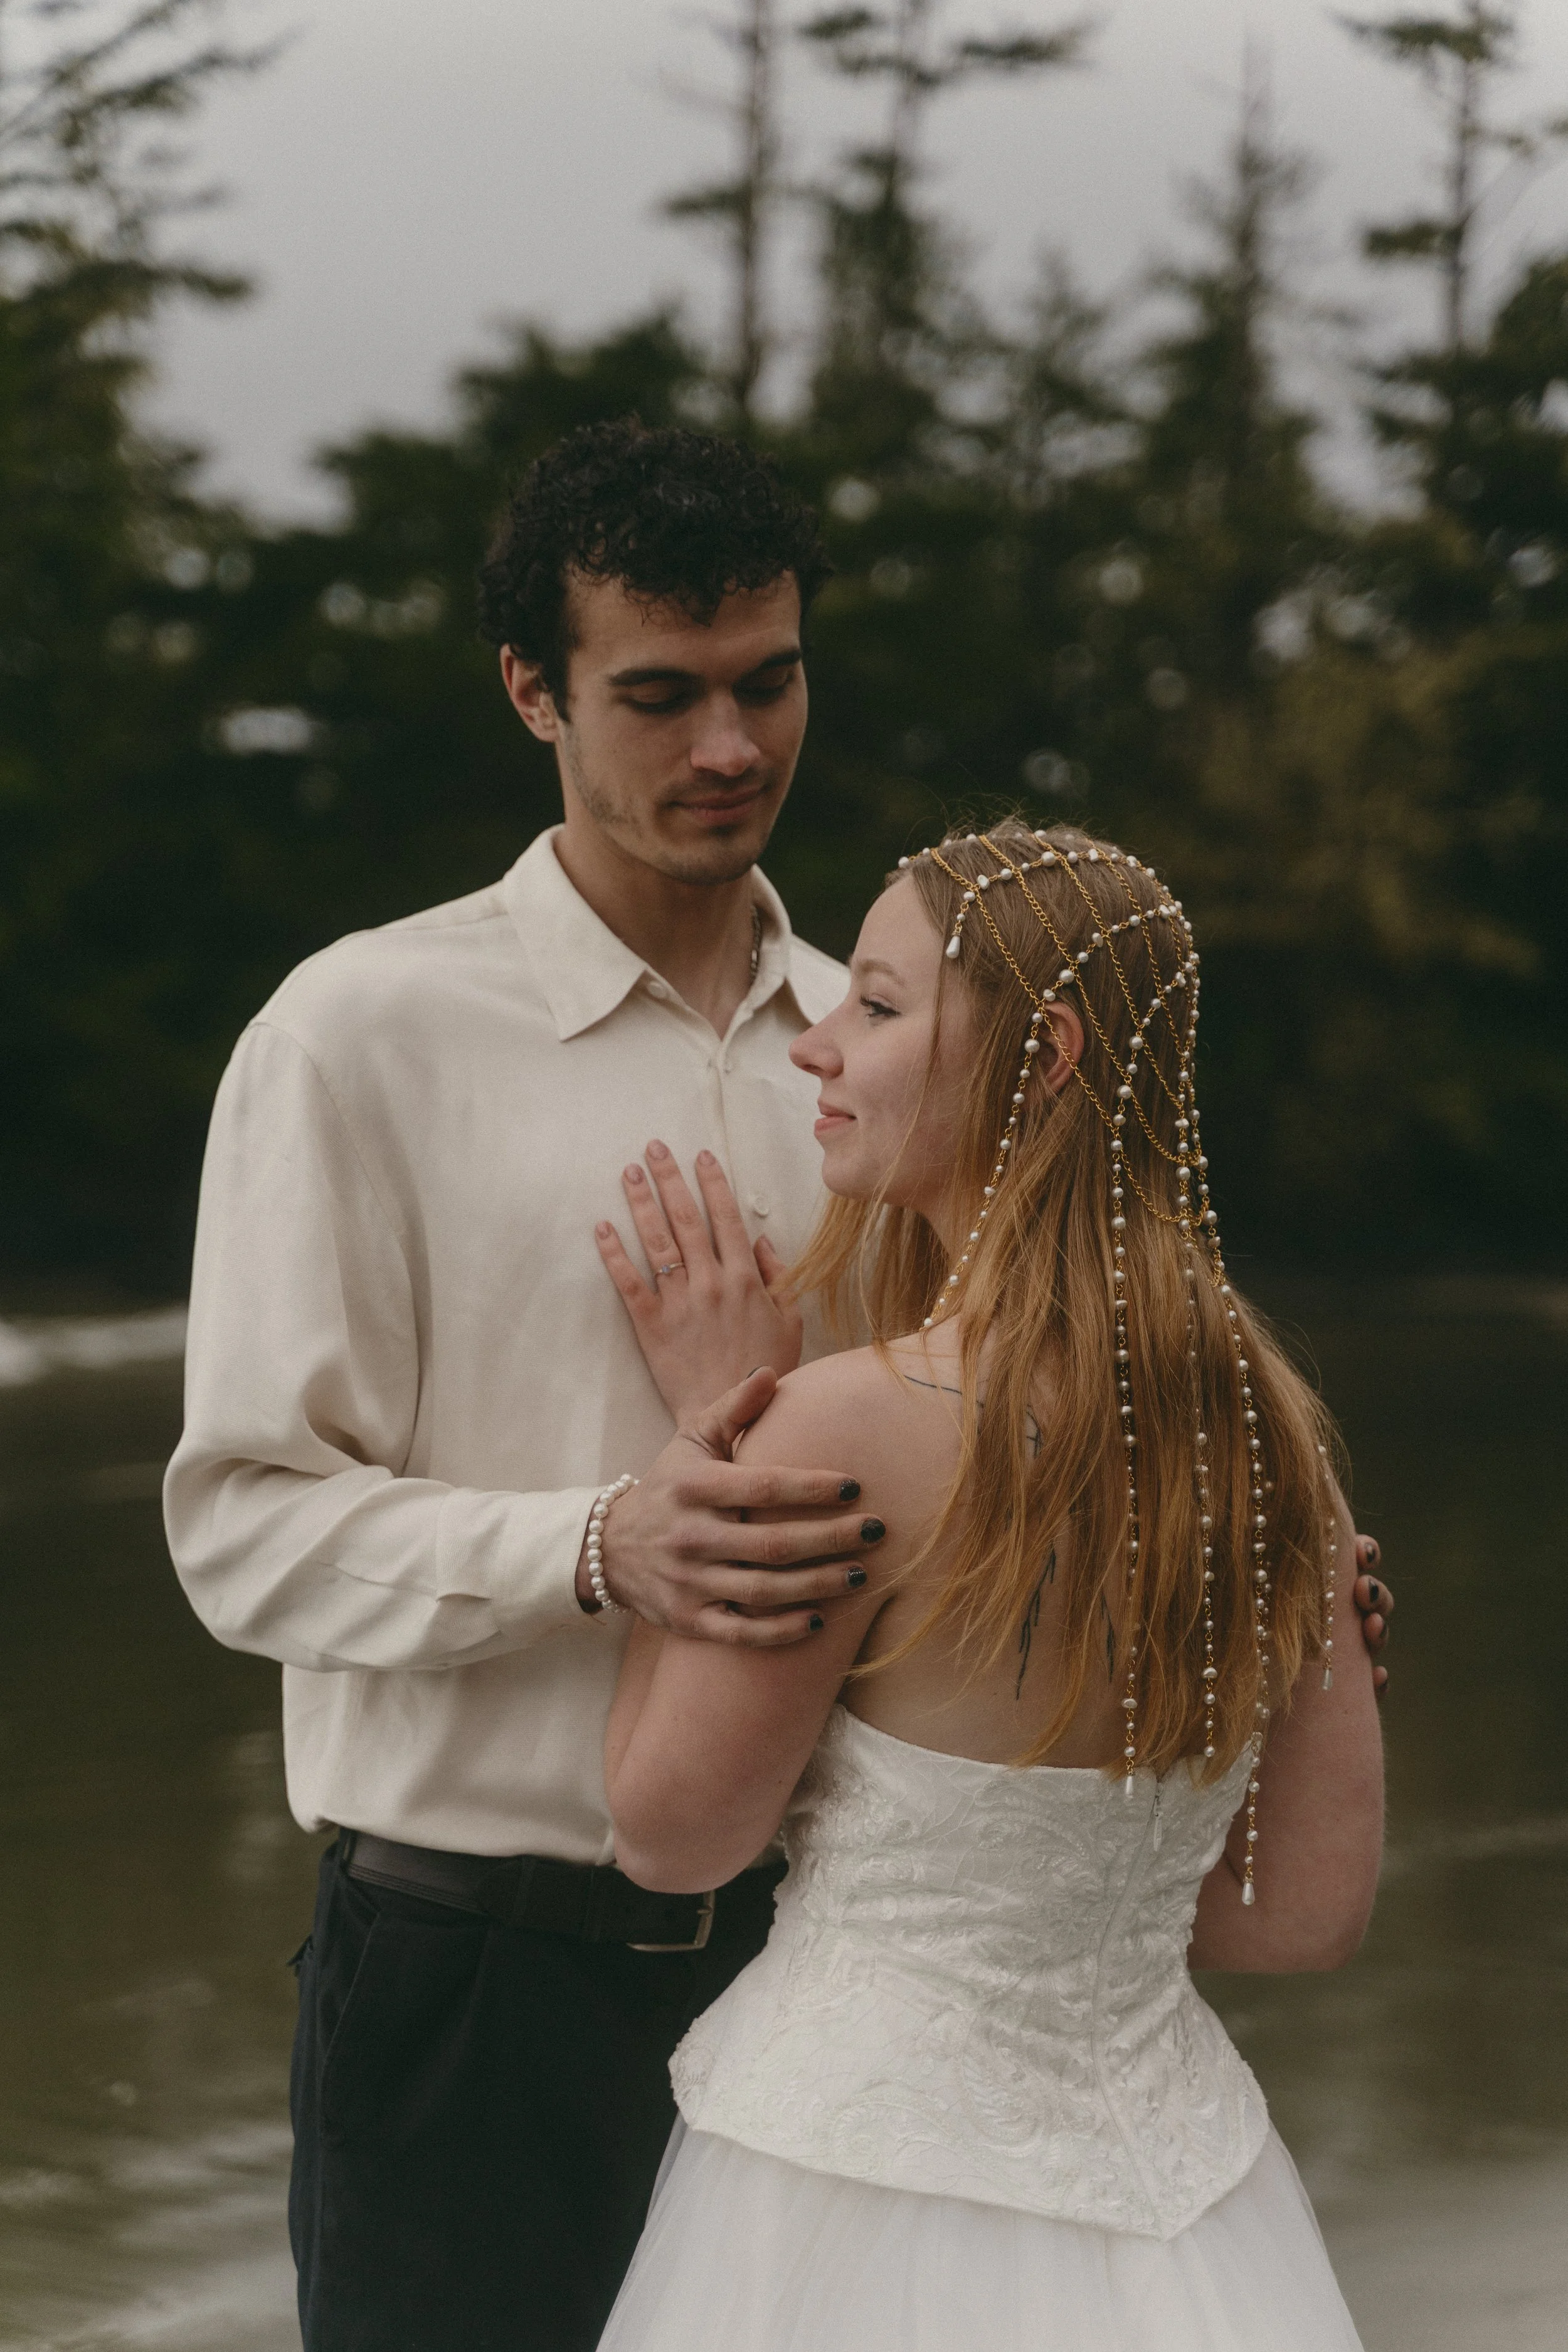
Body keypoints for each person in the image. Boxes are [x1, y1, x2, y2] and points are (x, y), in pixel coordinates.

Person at [162, 421, 1392, 2352]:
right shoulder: (357, 1037)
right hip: (478, 1981)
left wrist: (1221, 1580)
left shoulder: (896, 1042)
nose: (730, 746)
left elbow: (980, 1471)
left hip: (833, 1979)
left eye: (768, 680)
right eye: (658, 695)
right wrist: (602, 1540)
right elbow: (239, 1534)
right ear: (531, 692)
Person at [593, 817, 1384, 2351]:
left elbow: (672, 1837)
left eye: (876, 1007)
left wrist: (700, 1455)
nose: (815, 1046)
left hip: (848, 2205)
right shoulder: (1276, 1438)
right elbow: (1299, 1916)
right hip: (1190, 2228)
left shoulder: (835, 1429)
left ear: (1043, 1055)